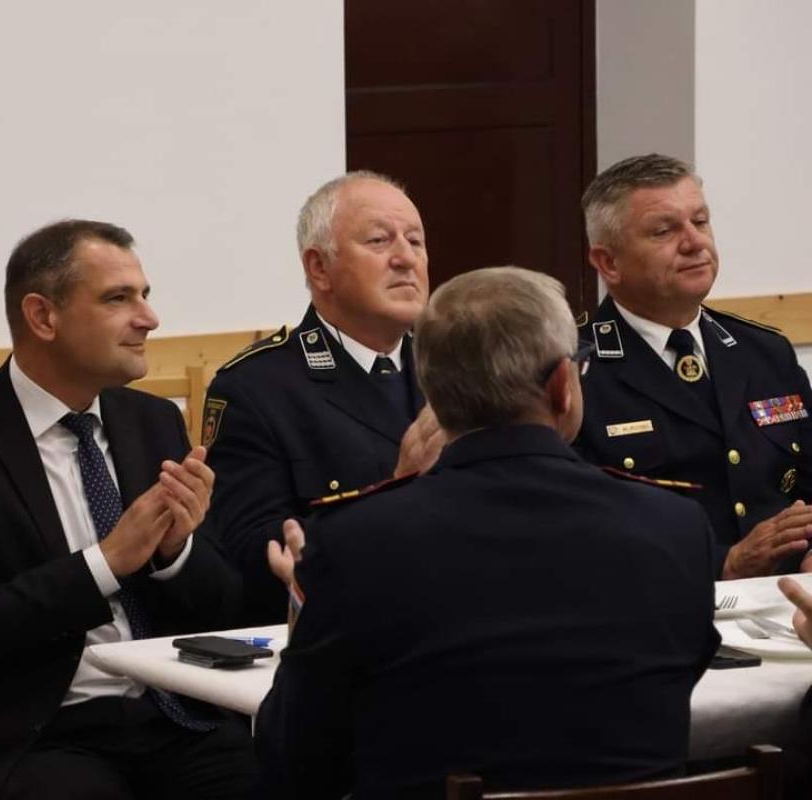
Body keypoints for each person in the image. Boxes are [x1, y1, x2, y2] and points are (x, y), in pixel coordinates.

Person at [254, 266, 720, 799]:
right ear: (562, 386)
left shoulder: (354, 542)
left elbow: (293, 764)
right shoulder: (675, 525)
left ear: (431, 391)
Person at [0, 220, 254, 799]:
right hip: (35, 729)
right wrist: (105, 563)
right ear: (43, 317)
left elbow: (224, 605)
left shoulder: (152, 421)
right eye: (117, 298)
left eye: (145, 295)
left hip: (168, 713)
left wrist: (174, 552)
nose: (149, 318)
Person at [203, 171, 445, 624]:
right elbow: (253, 553)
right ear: (319, 268)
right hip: (343, 629)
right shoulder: (257, 387)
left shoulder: (456, 369)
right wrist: (396, 489)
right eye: (379, 241)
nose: (405, 258)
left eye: (416, 241)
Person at [575, 154, 812, 579]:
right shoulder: (573, 371)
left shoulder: (764, 352)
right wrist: (724, 563)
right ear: (609, 262)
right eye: (664, 231)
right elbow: (578, 532)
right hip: (662, 606)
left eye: (700, 222)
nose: (694, 242)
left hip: (787, 602)